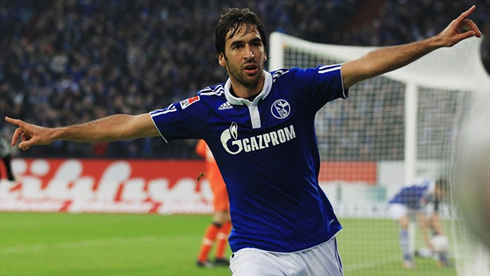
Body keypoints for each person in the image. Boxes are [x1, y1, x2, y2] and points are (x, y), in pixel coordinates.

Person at [4, 6, 481, 275]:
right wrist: (56, 134)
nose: (250, 52)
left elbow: (367, 63)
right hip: (257, 251)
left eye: (255, 42)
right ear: (222, 58)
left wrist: (433, 44)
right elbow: (128, 123)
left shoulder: (297, 87)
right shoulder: (206, 109)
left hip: (318, 242)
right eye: (238, 45)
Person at [389, 178, 450, 268]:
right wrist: (427, 241)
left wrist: (442, 235)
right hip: (399, 203)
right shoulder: (424, 192)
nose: (443, 195)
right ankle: (407, 260)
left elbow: (435, 217)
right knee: (405, 224)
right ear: (437, 188)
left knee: (432, 224)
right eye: (443, 192)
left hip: (412, 207)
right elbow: (421, 219)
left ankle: (443, 260)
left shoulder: (435, 194)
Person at [195, 139, 232, 268]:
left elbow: (199, 150)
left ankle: (219, 256)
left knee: (229, 219)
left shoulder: (206, 136)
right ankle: (202, 258)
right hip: (221, 181)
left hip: (215, 177)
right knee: (220, 218)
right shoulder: (224, 135)